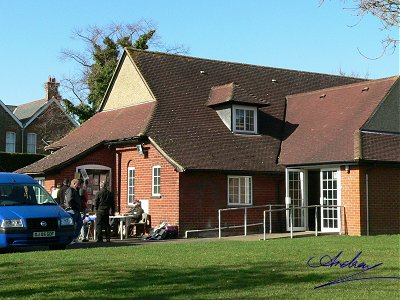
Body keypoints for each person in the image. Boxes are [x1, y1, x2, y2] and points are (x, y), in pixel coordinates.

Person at [65, 179, 83, 244]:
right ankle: (70, 239)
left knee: (80, 223)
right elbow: (69, 200)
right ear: (74, 183)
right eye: (78, 184)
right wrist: (72, 207)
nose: (79, 186)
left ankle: (75, 237)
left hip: (76, 210)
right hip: (72, 210)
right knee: (72, 225)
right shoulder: (70, 190)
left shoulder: (76, 190)